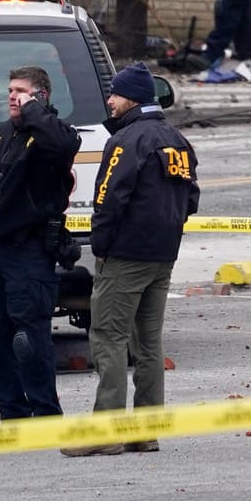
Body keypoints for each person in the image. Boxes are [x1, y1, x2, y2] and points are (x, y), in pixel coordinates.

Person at [64, 64, 200, 456]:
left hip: (125, 255)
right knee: (149, 344)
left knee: (108, 337)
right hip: (163, 255)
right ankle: (145, 431)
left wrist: (101, 246)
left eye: (115, 94)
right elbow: (190, 198)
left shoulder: (127, 140)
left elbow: (108, 199)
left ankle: (106, 432)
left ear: (133, 99)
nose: (109, 100)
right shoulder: (176, 139)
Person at [0, 66, 82, 421]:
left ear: (40, 97)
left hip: (29, 251)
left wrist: (35, 111)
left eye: (20, 90)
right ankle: (12, 412)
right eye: (9, 90)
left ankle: (45, 412)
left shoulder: (52, 135)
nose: (11, 96)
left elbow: (64, 143)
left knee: (29, 338)